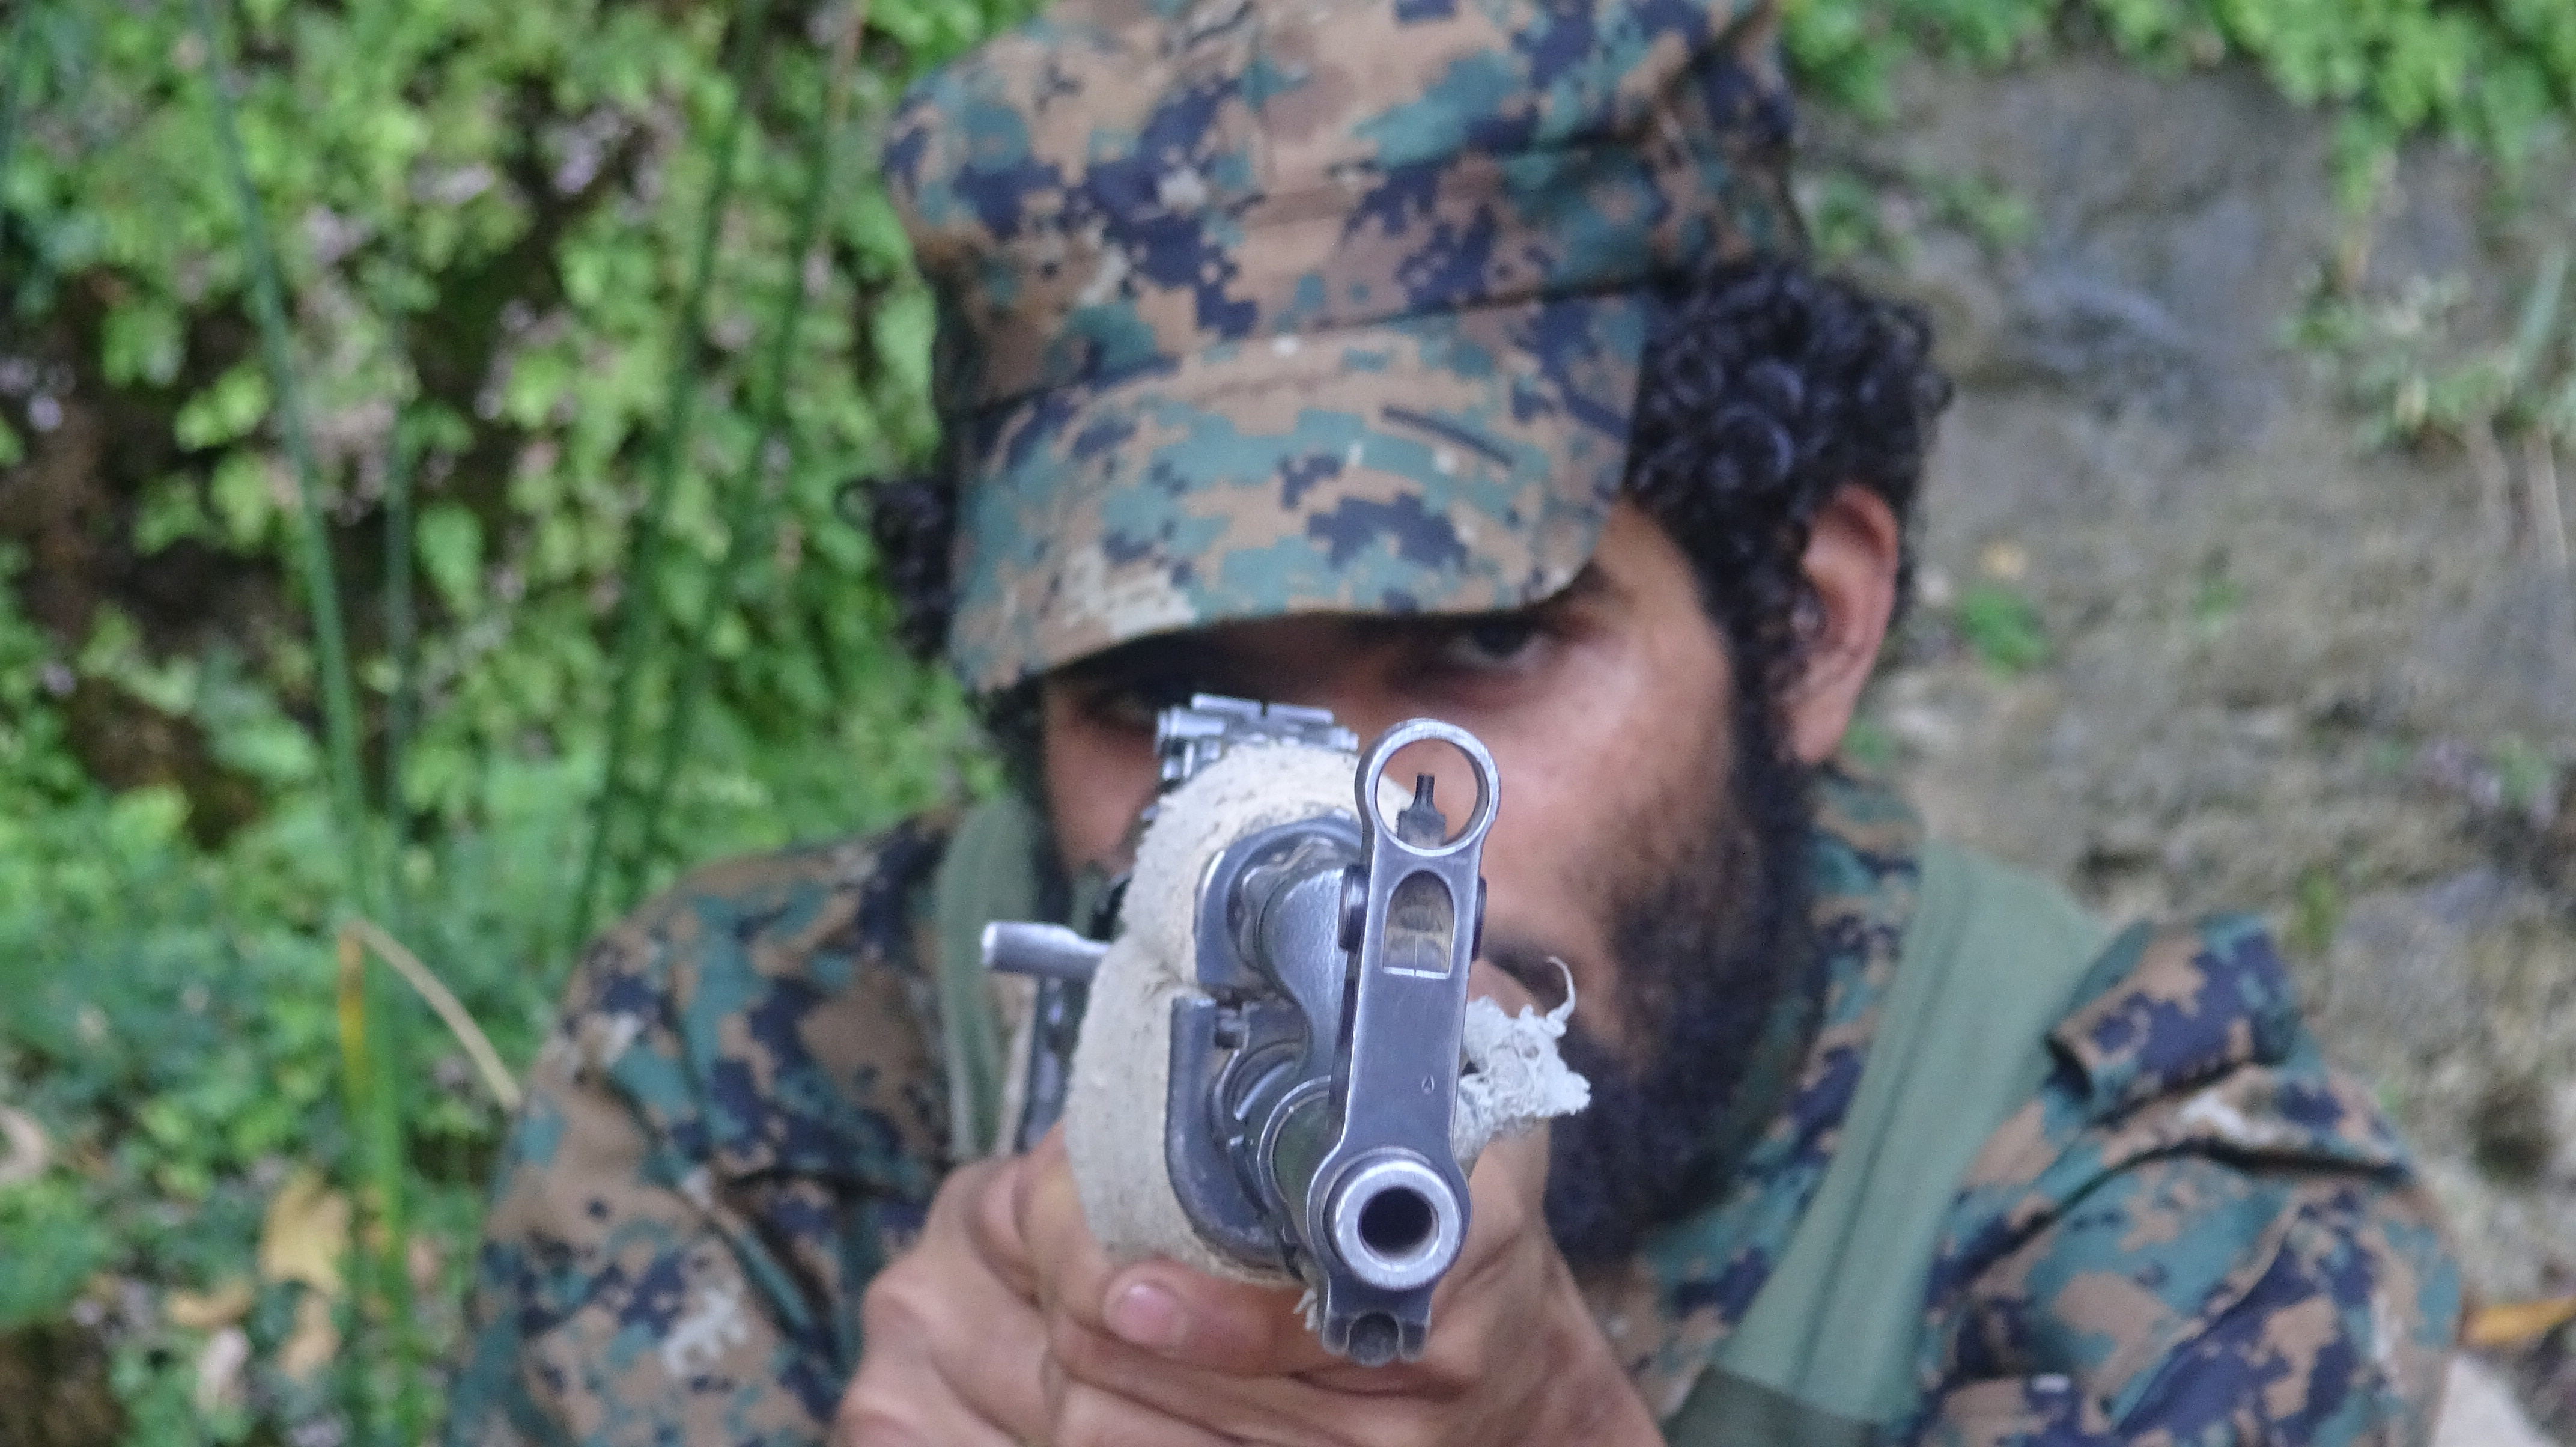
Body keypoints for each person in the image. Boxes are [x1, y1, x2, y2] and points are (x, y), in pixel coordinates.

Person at [446, 0, 2463, 1441]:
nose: (1321, 824)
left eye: (1483, 649)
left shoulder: (2163, 1217)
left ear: (1807, 626)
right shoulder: (751, 1093)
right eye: (1158, 693)